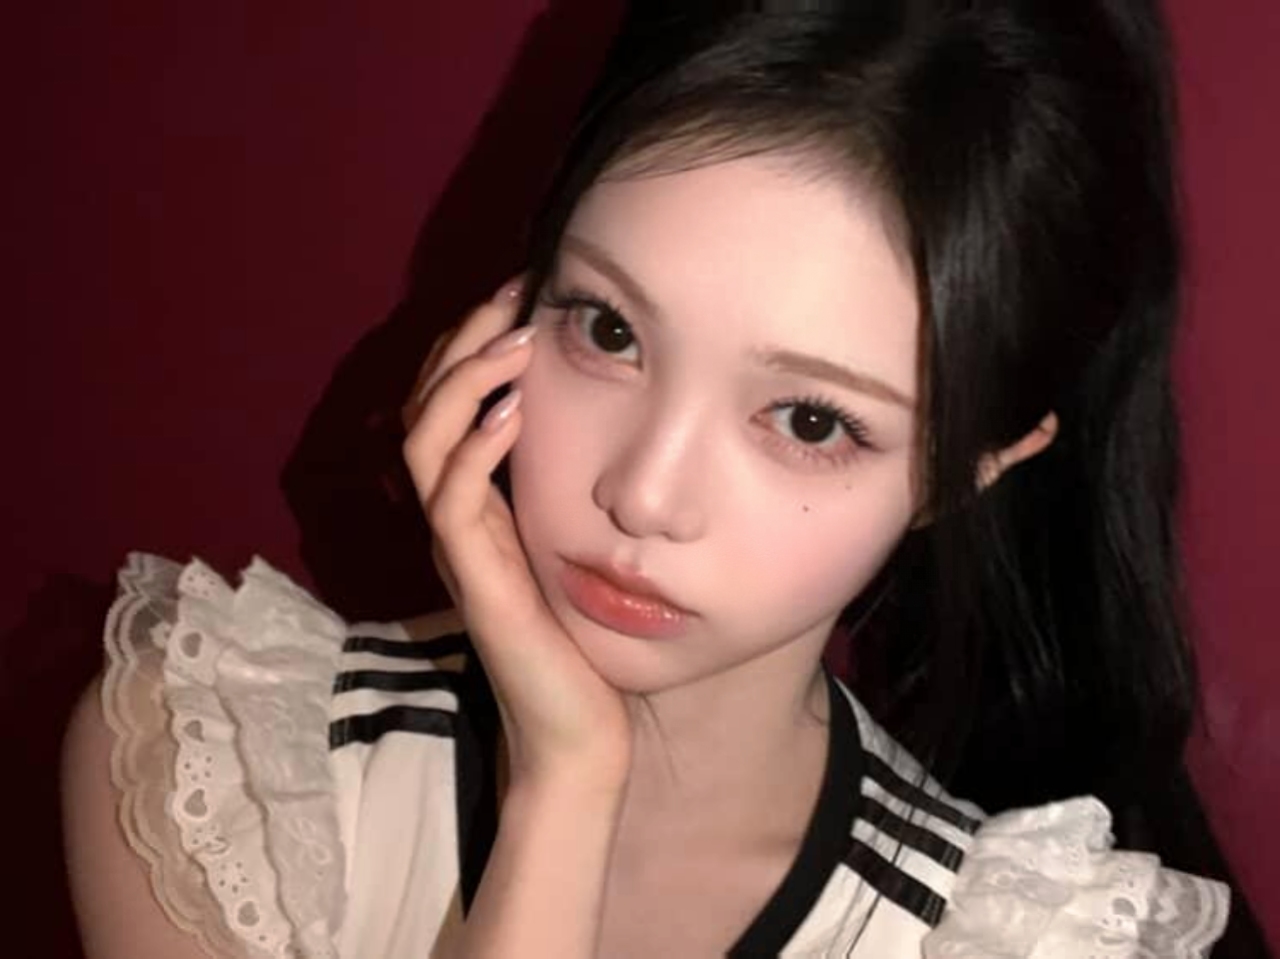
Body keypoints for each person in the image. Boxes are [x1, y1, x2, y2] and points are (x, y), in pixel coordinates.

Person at [60, 1, 1271, 956]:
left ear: (965, 473)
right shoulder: (222, 759)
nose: (643, 495)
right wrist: (564, 788)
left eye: (809, 419)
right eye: (609, 329)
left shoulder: (997, 939)